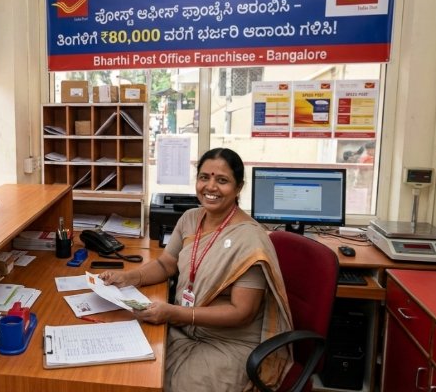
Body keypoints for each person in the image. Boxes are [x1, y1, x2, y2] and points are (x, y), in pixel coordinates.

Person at [100, 148, 293, 392]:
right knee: (131, 371)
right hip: (183, 328)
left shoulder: (250, 240)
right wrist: (128, 277)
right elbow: (166, 264)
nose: (210, 187)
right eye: (204, 177)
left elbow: (242, 312)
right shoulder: (190, 218)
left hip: (227, 343)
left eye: (222, 180)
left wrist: (175, 313)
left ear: (239, 187)